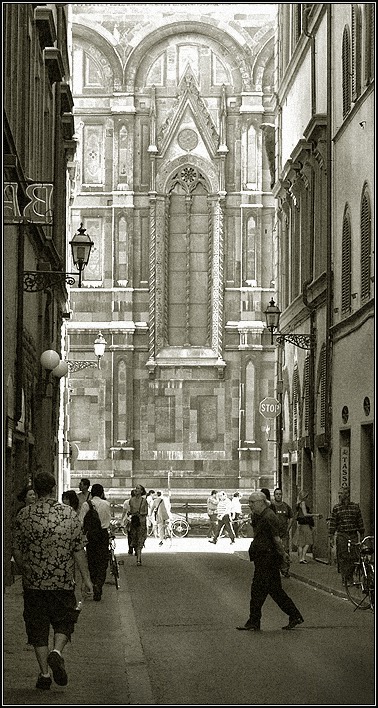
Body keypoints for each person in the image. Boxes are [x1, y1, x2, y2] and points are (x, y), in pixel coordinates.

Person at [13, 471, 93, 690]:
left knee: (37, 628)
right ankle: (57, 652)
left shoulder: (24, 515)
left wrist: (25, 569)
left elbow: (17, 550)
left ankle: (45, 674)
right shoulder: (68, 514)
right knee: (64, 621)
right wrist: (87, 579)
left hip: (34, 584)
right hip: (63, 581)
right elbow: (78, 550)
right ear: (53, 488)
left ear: (35, 490)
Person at [236, 491, 303, 632]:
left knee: (257, 590)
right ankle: (294, 615)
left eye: (252, 502)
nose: (250, 505)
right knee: (275, 591)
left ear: (261, 502)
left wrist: (283, 554)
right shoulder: (261, 516)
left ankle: (254, 621)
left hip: (268, 559)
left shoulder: (269, 517)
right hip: (264, 558)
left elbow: (276, 538)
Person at [80, 483, 111, 600]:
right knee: (103, 561)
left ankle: (94, 582)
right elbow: (108, 521)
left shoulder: (86, 504)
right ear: (102, 493)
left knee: (92, 560)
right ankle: (99, 584)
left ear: (91, 493)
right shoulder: (106, 504)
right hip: (103, 535)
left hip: (91, 536)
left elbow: (81, 522)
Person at [329, 486, 365, 584]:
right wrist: (331, 536)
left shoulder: (355, 507)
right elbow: (333, 523)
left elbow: (359, 522)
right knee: (343, 557)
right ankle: (345, 578)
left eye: (341, 493)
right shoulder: (337, 508)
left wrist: (362, 534)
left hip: (353, 534)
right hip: (342, 535)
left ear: (347, 495)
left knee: (353, 556)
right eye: (339, 493)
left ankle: (350, 576)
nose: (339, 495)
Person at [295, 490, 322, 564]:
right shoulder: (303, 503)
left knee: (300, 543)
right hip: (305, 525)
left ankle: (300, 558)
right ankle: (303, 557)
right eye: (306, 496)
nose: (307, 498)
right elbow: (305, 514)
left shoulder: (298, 503)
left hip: (300, 525)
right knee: (308, 541)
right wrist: (315, 515)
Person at [273, 488, 294, 577]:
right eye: (277, 494)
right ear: (274, 495)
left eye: (280, 494)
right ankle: (274, 569)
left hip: (284, 533)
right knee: (274, 551)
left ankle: (285, 570)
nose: (278, 495)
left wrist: (288, 528)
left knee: (285, 551)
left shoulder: (286, 506)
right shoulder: (271, 506)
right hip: (274, 533)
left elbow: (291, 517)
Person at [126, 484, 148, 565]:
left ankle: (138, 558)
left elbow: (146, 512)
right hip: (134, 522)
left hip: (141, 522)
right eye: (136, 488)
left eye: (138, 488)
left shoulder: (144, 500)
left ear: (141, 491)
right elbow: (130, 510)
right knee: (134, 538)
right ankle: (137, 553)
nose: (136, 490)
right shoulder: (131, 500)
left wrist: (140, 513)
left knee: (140, 539)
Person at [122, 489, 136, 555]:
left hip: (128, 520)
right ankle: (136, 549)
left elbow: (124, 512)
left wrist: (122, 519)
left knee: (129, 535)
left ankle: (130, 549)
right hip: (137, 520)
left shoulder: (126, 502)